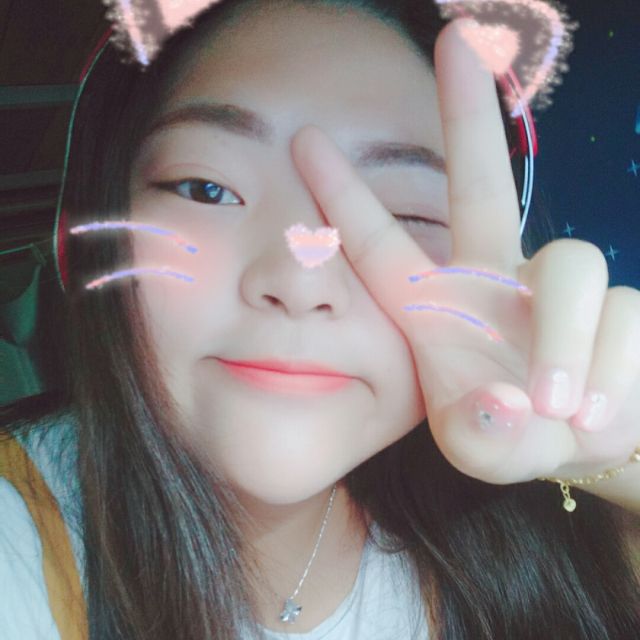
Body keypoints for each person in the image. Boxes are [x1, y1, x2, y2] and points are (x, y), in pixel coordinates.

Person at [1, 1, 639, 638]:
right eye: (205, 188)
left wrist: (614, 459)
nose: (301, 283)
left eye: (405, 218)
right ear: (82, 245)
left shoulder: (533, 511)